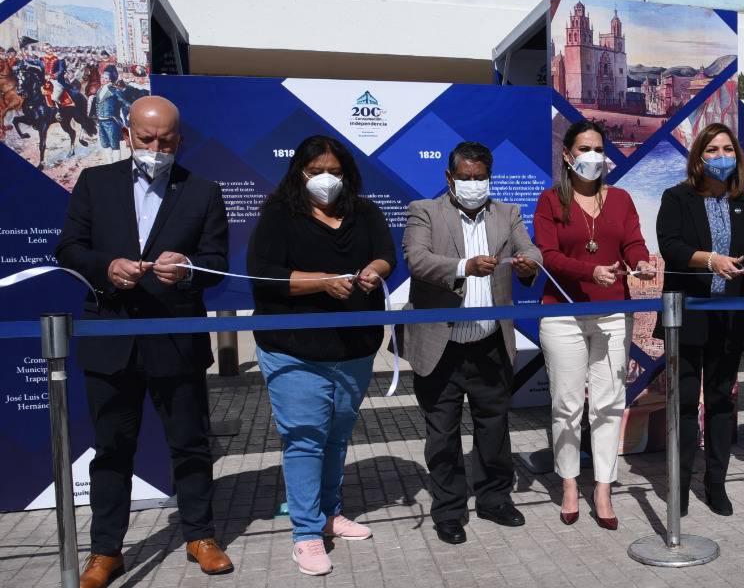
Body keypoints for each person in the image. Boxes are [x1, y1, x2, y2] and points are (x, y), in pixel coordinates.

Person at [55, 96, 232, 587]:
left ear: (181, 140)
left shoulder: (202, 191)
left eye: (167, 141)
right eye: (147, 138)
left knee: (190, 443)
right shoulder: (94, 183)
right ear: (127, 134)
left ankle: (200, 535)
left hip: (175, 337)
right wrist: (106, 267)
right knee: (112, 448)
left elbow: (217, 261)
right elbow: (69, 248)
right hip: (111, 335)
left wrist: (189, 268)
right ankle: (106, 551)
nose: (156, 148)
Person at [246, 135, 395, 576]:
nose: (326, 179)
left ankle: (330, 512)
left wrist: (374, 272)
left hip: (354, 348)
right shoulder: (279, 213)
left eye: (334, 171)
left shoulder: (365, 211)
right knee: (305, 437)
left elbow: (386, 256)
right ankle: (306, 533)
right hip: (293, 348)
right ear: (299, 173)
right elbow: (263, 275)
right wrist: (322, 282)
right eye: (316, 172)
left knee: (337, 435)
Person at [403, 141, 543, 545]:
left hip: (489, 342)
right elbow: (417, 259)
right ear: (449, 178)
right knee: (442, 434)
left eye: (480, 178)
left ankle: (494, 498)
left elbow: (529, 249)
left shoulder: (507, 213)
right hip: (441, 344)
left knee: (493, 427)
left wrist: (529, 263)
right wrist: (464, 267)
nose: (473, 184)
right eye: (465, 177)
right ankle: (448, 510)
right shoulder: (424, 211)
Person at [534, 121, 652, 529]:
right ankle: (569, 483)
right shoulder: (550, 200)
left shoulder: (620, 198)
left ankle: (603, 487)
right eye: (585, 149)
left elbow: (633, 241)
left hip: (613, 312)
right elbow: (547, 255)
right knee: (567, 404)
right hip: (562, 313)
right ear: (568, 155)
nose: (593, 157)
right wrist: (590, 272)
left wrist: (640, 261)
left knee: (608, 403)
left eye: (599, 149)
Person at [656, 123, 744, 516]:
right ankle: (680, 485)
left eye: (727, 150)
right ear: (698, 157)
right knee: (685, 403)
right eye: (712, 150)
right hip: (688, 316)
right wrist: (710, 260)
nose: (720, 157)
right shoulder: (677, 198)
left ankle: (716, 483)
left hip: (730, 318)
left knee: (722, 402)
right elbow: (671, 247)